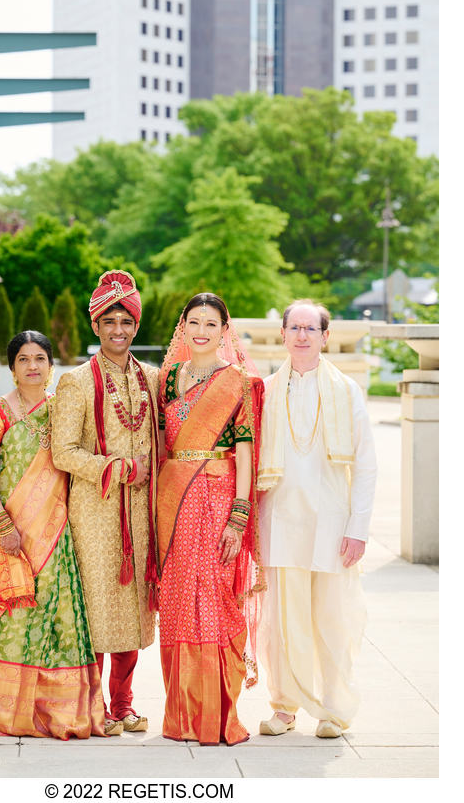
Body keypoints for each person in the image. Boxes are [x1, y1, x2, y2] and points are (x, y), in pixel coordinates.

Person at [0, 330, 106, 739]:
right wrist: (4, 527)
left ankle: (59, 712)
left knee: (60, 622)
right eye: (23, 359)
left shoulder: (59, 410)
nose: (32, 366)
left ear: (50, 367)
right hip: (12, 534)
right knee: (16, 620)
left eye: (40, 359)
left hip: (57, 534)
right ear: (11, 367)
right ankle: (8, 711)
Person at [257, 299, 377, 739]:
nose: (302, 336)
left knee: (331, 619)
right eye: (295, 328)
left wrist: (358, 529)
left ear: (326, 336)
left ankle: (333, 709)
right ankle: (285, 707)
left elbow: (365, 465)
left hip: (331, 524)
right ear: (284, 334)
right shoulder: (266, 390)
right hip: (281, 522)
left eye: (311, 328)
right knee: (283, 621)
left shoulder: (346, 391)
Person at [51, 270, 159, 736]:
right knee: (97, 606)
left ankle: (125, 704)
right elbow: (63, 451)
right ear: (95, 327)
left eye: (126, 321)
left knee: (134, 608)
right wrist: (115, 467)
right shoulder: (76, 382)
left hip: (141, 512)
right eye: (109, 321)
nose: (118, 329)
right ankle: (93, 705)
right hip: (95, 511)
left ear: (136, 326)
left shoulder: (152, 379)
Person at [157, 293, 265, 745]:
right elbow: (162, 443)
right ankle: (181, 716)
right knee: (180, 600)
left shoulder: (238, 381)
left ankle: (219, 715)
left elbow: (245, 452)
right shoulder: (167, 380)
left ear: (225, 330)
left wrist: (239, 516)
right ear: (184, 327)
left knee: (217, 599)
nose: (202, 331)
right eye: (194, 322)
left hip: (220, 498)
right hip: (173, 500)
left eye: (211, 323)